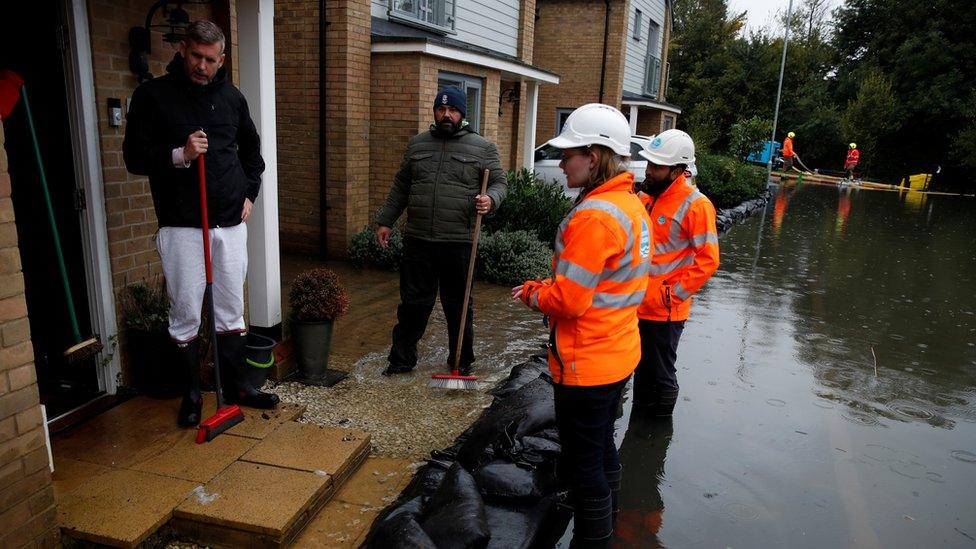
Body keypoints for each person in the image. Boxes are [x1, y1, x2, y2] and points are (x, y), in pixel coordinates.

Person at [123, 21, 279, 427]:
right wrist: (181, 154)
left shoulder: (232, 99)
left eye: (211, 59)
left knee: (230, 310)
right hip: (182, 226)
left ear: (221, 59)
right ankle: (191, 394)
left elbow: (253, 154)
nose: (202, 65)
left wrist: (249, 195)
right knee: (187, 311)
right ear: (183, 50)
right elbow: (135, 156)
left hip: (229, 222)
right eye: (195, 56)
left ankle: (238, 386)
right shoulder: (153, 96)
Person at [512, 103, 651, 546]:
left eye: (569, 153)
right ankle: (608, 525)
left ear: (594, 156)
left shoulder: (595, 216)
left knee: (584, 463)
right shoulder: (629, 203)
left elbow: (570, 300)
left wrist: (534, 292)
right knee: (602, 448)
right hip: (616, 352)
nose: (560, 161)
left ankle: (594, 539)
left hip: (587, 363)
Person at [375, 87, 506, 377]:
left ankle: (461, 362)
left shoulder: (482, 147)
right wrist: (386, 221)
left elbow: (500, 182)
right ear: (435, 112)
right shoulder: (418, 145)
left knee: (458, 308)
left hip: (458, 241)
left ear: (462, 114)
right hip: (418, 239)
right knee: (412, 305)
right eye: (441, 110)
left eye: (453, 110)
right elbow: (401, 186)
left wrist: (490, 199)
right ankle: (401, 361)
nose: (447, 115)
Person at [633, 129, 719, 418]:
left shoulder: (696, 205)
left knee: (660, 372)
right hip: (637, 304)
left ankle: (657, 429)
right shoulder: (646, 196)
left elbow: (708, 260)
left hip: (665, 311)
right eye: (649, 164)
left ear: (679, 170)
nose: (649, 170)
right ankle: (640, 416)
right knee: (640, 369)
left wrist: (671, 295)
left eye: (657, 166)